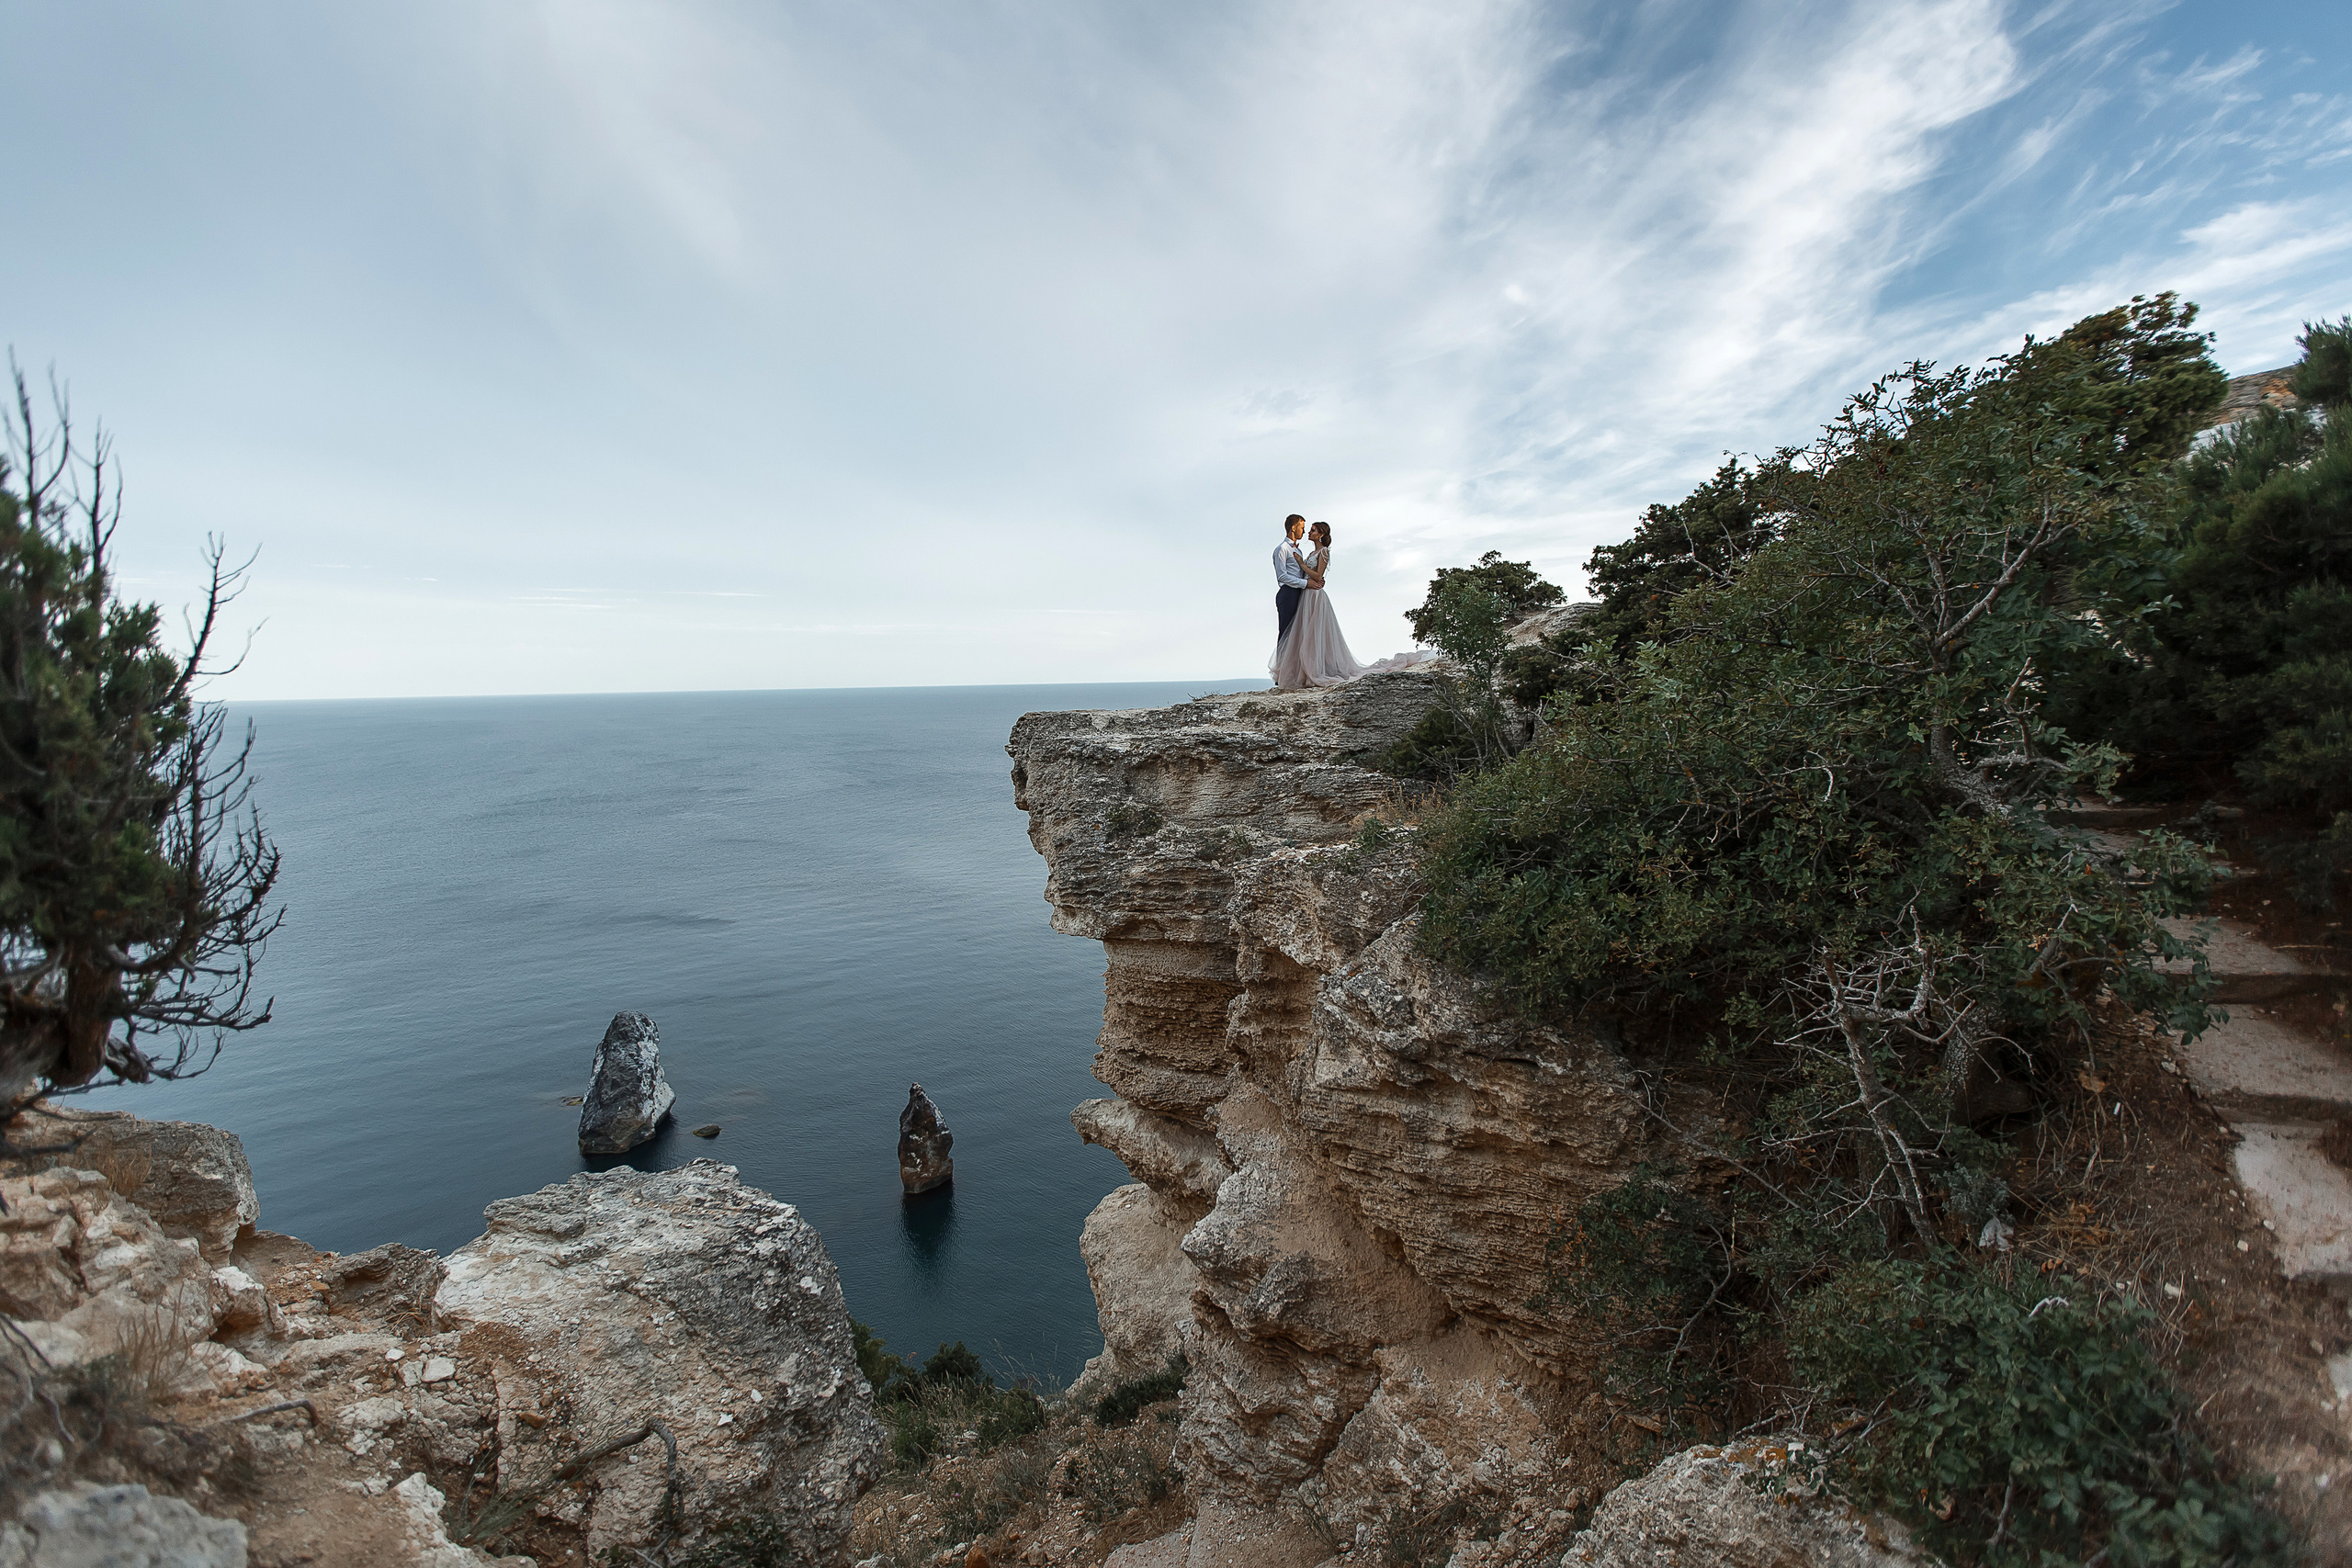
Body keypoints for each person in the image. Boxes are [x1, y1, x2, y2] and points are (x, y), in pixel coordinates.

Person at [1270, 520, 1433, 689]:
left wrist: (1305, 568)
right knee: (1301, 634)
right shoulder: (1302, 552)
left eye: (1312, 530)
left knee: (1314, 634)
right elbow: (1294, 576)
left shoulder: (1323, 552)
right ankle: (1297, 671)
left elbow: (1318, 576)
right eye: (1307, 529)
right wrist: (1307, 579)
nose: (1308, 533)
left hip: (1314, 596)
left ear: (1322, 534)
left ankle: (1314, 670)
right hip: (1304, 594)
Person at [1272, 514, 1312, 648]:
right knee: (1286, 632)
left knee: (1298, 632)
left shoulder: (1298, 550)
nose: (1304, 532)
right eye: (1302, 528)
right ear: (1294, 528)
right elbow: (1282, 576)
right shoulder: (1282, 549)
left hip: (1299, 593)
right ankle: (1281, 666)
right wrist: (1306, 583)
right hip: (1288, 593)